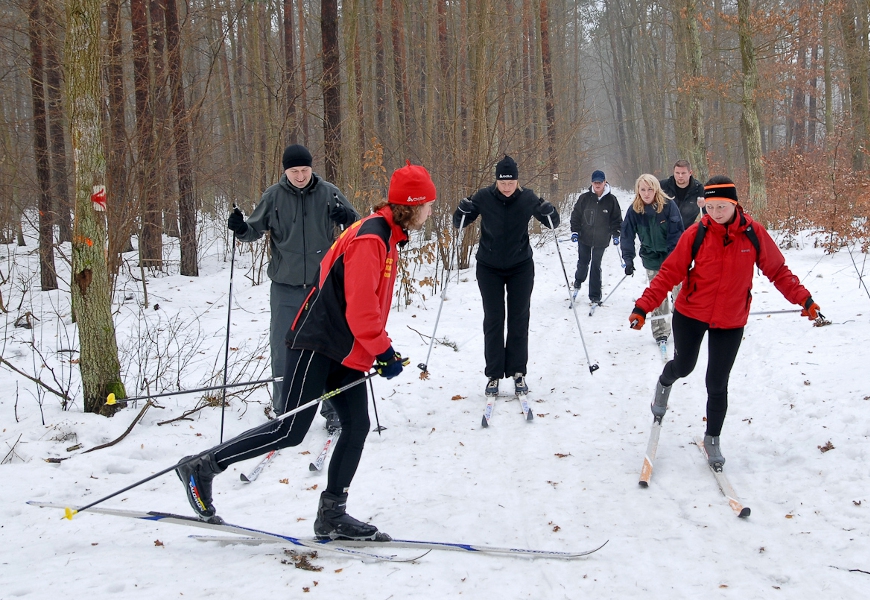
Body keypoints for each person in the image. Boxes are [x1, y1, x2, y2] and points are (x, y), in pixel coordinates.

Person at [176, 161, 437, 540]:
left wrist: (380, 350)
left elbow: (368, 308)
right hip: (317, 342)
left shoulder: (387, 236)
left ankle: (332, 513)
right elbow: (361, 307)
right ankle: (203, 467)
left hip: (343, 348)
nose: (430, 211)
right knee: (290, 430)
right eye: (427, 204)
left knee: (357, 425)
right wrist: (383, 351)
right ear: (411, 206)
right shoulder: (371, 238)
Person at [627, 176, 822, 468]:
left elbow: (778, 271)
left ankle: (712, 438)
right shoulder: (696, 234)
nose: (716, 213)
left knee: (717, 383)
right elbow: (669, 273)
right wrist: (643, 306)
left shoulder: (753, 234)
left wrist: (804, 299)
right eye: (711, 207)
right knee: (684, 366)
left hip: (730, 319)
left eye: (722, 206)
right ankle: (665, 382)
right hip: (691, 314)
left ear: (734, 204)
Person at [227, 144, 359, 430]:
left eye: (304, 170)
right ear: (285, 171)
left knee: (328, 346)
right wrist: (239, 228)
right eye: (294, 171)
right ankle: (284, 408)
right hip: (285, 286)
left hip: (322, 286)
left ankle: (332, 407)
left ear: (312, 168)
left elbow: (359, 228)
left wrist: (346, 220)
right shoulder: (273, 196)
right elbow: (253, 230)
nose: (300, 176)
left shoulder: (329, 193)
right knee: (283, 347)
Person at [453, 155, 560, 396]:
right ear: (496, 181)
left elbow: (553, 222)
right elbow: (459, 223)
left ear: (517, 180)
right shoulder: (482, 197)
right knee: (493, 319)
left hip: (520, 266)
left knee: (519, 319)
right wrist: (461, 210)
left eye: (511, 182)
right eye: (503, 182)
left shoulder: (528, 197)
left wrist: (549, 211)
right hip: (489, 267)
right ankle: (493, 374)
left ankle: (518, 372)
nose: (507, 187)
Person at [620, 174, 685, 350]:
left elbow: (677, 233)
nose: (646, 193)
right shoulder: (635, 210)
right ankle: (660, 332)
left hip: (672, 258)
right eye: (643, 189)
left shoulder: (668, 206)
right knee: (658, 297)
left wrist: (674, 259)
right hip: (651, 257)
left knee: (680, 295)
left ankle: (683, 330)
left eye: (650, 189)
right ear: (638, 191)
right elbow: (626, 235)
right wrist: (628, 260)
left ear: (656, 189)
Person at [569, 170, 622, 308]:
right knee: (583, 262)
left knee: (595, 265)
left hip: (602, 239)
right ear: (592, 183)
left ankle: (595, 295)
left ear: (605, 182)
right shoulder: (584, 198)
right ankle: (578, 282)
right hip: (584, 237)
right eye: (595, 182)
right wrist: (575, 231)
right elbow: (576, 216)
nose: (597, 185)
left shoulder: (611, 200)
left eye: (600, 182)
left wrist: (616, 234)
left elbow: (616, 220)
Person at [660, 159, 705, 225]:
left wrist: (704, 205)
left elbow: (708, 212)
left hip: (687, 230)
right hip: (666, 229)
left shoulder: (698, 189)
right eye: (677, 173)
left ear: (690, 173)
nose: (680, 176)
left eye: (683, 173)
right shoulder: (663, 186)